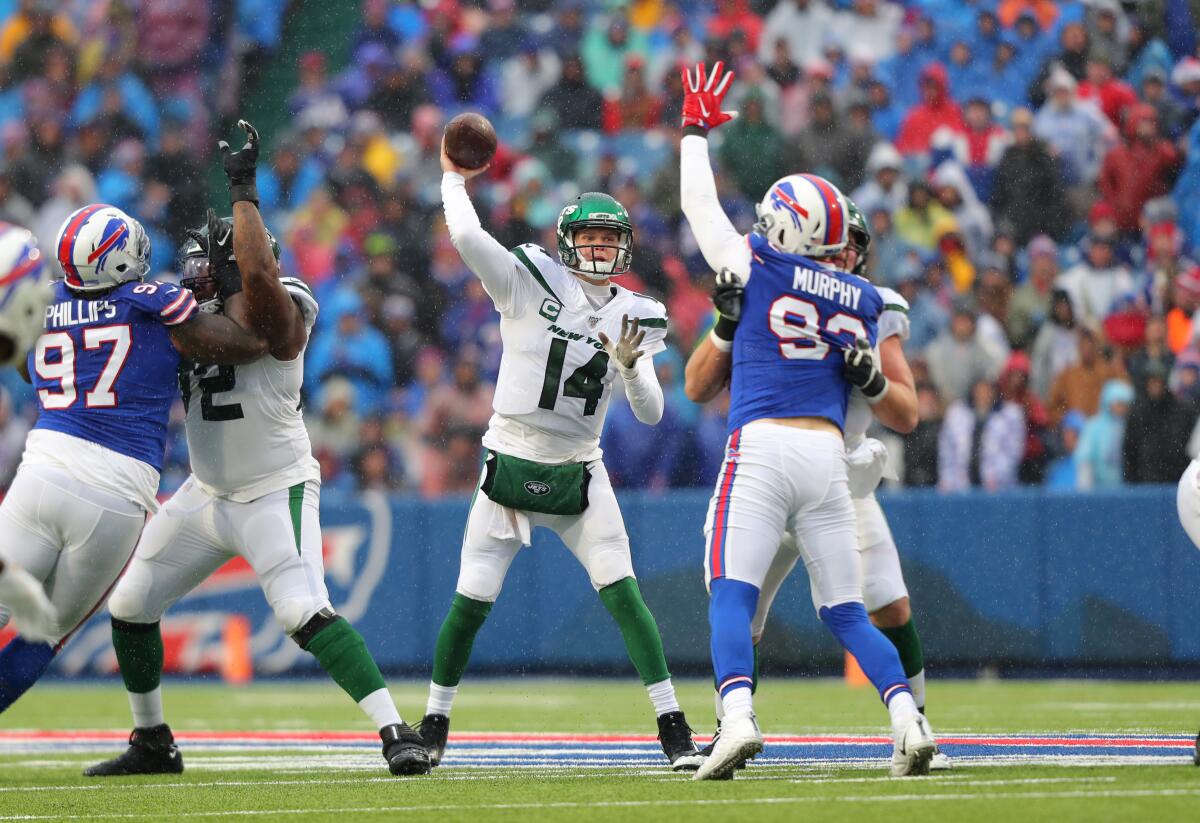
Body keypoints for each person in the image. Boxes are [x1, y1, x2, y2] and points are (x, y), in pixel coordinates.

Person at [85, 123, 430, 778]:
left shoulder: (286, 296)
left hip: (275, 486)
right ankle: (153, 740)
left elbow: (270, 325)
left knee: (302, 609)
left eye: (211, 281)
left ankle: (394, 726)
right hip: (207, 492)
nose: (198, 293)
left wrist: (244, 196)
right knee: (130, 605)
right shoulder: (181, 313)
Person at [678, 62, 934, 781]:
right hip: (828, 457)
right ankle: (908, 719)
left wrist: (693, 130)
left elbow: (699, 206)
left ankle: (735, 720)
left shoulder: (755, 264)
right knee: (847, 611)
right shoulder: (859, 296)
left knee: (730, 592)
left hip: (760, 444)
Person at [418, 123, 701, 772]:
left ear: (625, 247)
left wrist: (631, 366)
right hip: (510, 452)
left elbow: (651, 412)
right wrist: (453, 179)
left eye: (609, 238)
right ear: (567, 243)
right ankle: (434, 720)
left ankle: (673, 726)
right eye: (590, 237)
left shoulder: (638, 312)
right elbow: (465, 236)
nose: (599, 248)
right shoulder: (529, 277)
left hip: (580, 465)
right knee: (470, 601)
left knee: (624, 592)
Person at [0, 204, 269, 713]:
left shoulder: (44, 301)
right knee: (46, 631)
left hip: (42, 473)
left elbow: (28, 371)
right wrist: (232, 280)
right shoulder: (152, 303)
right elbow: (248, 343)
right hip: (114, 494)